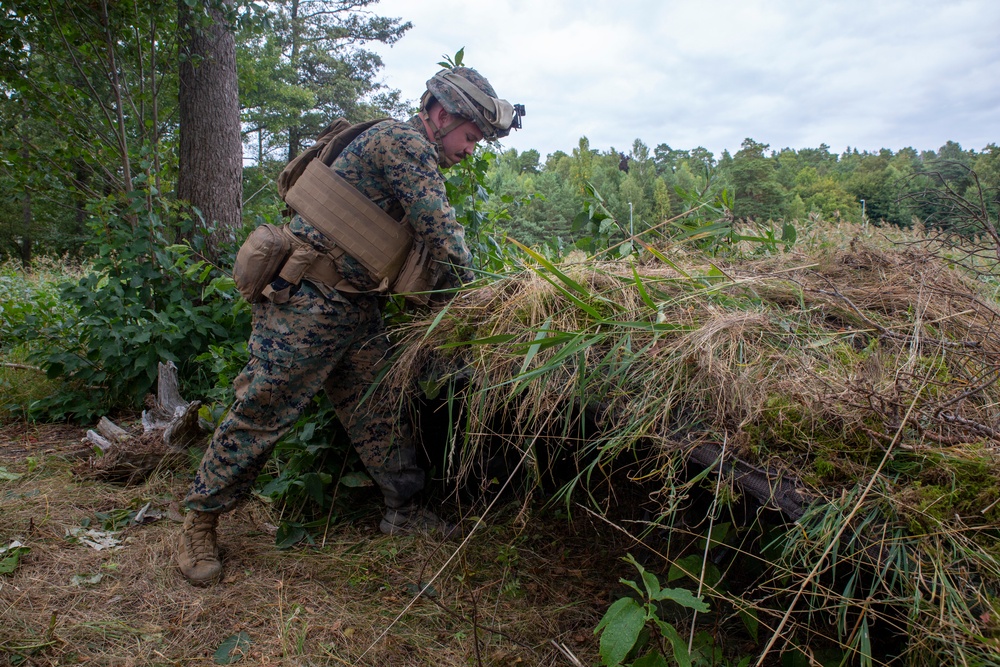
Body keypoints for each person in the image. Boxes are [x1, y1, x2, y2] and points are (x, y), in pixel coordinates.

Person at [176, 67, 521, 586]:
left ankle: (402, 512)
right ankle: (199, 523)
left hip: (356, 308)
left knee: (379, 409)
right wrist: (487, 302)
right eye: (471, 137)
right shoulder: (404, 142)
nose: (472, 148)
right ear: (442, 115)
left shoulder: (397, 141)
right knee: (263, 409)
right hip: (309, 305)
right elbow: (442, 236)